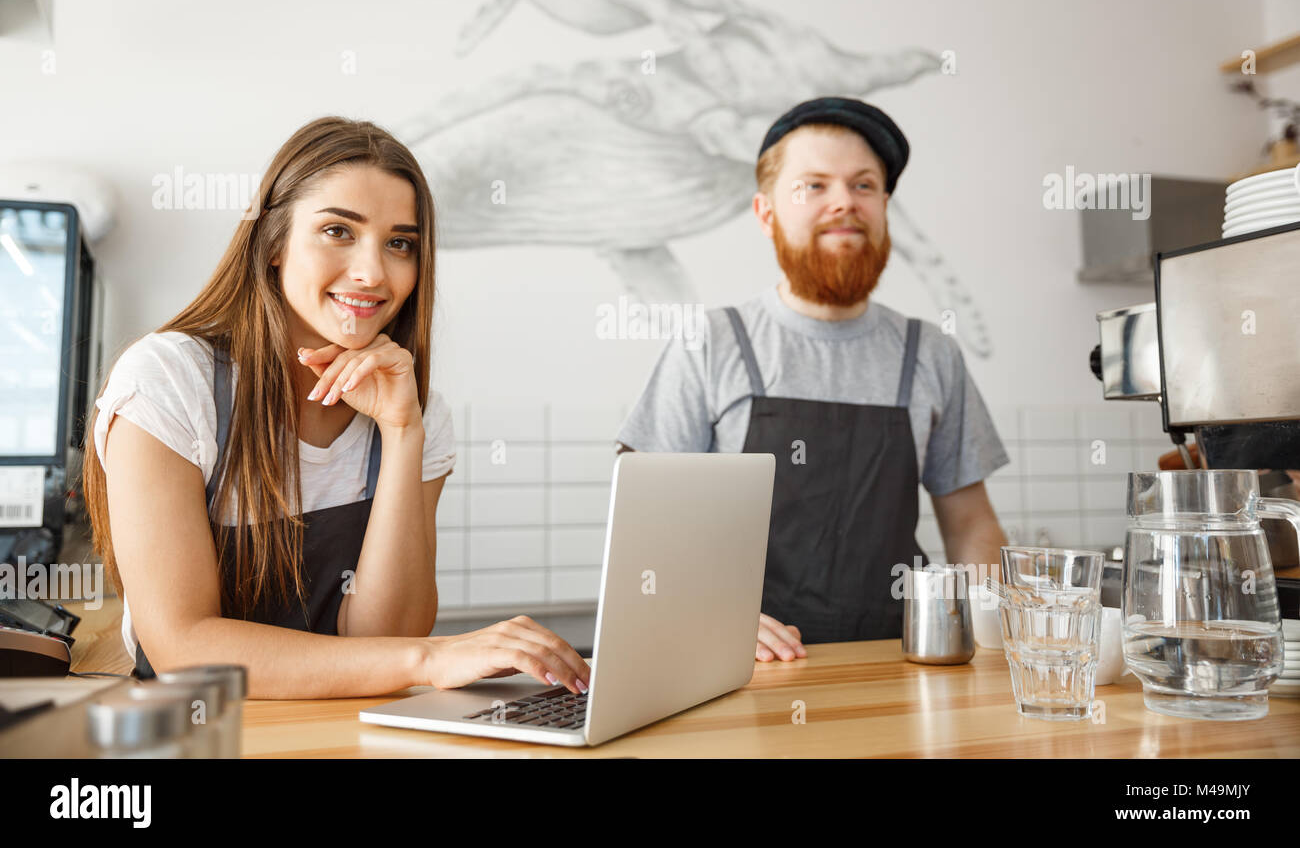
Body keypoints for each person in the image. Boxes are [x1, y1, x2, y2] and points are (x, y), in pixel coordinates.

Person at [82, 116, 590, 699]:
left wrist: (402, 435)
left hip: (346, 727)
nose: (374, 272)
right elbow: (185, 649)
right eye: (338, 232)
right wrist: (431, 658)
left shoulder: (418, 412)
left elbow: (383, 633)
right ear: (272, 243)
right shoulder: (170, 381)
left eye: (400, 243)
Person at [616, 97, 1010, 663]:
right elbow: (644, 526)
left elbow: (972, 523)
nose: (845, 202)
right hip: (739, 671)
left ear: (883, 207)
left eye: (864, 185)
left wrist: (997, 644)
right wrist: (709, 609)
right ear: (766, 212)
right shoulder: (710, 343)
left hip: (895, 669)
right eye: (814, 186)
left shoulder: (931, 353)